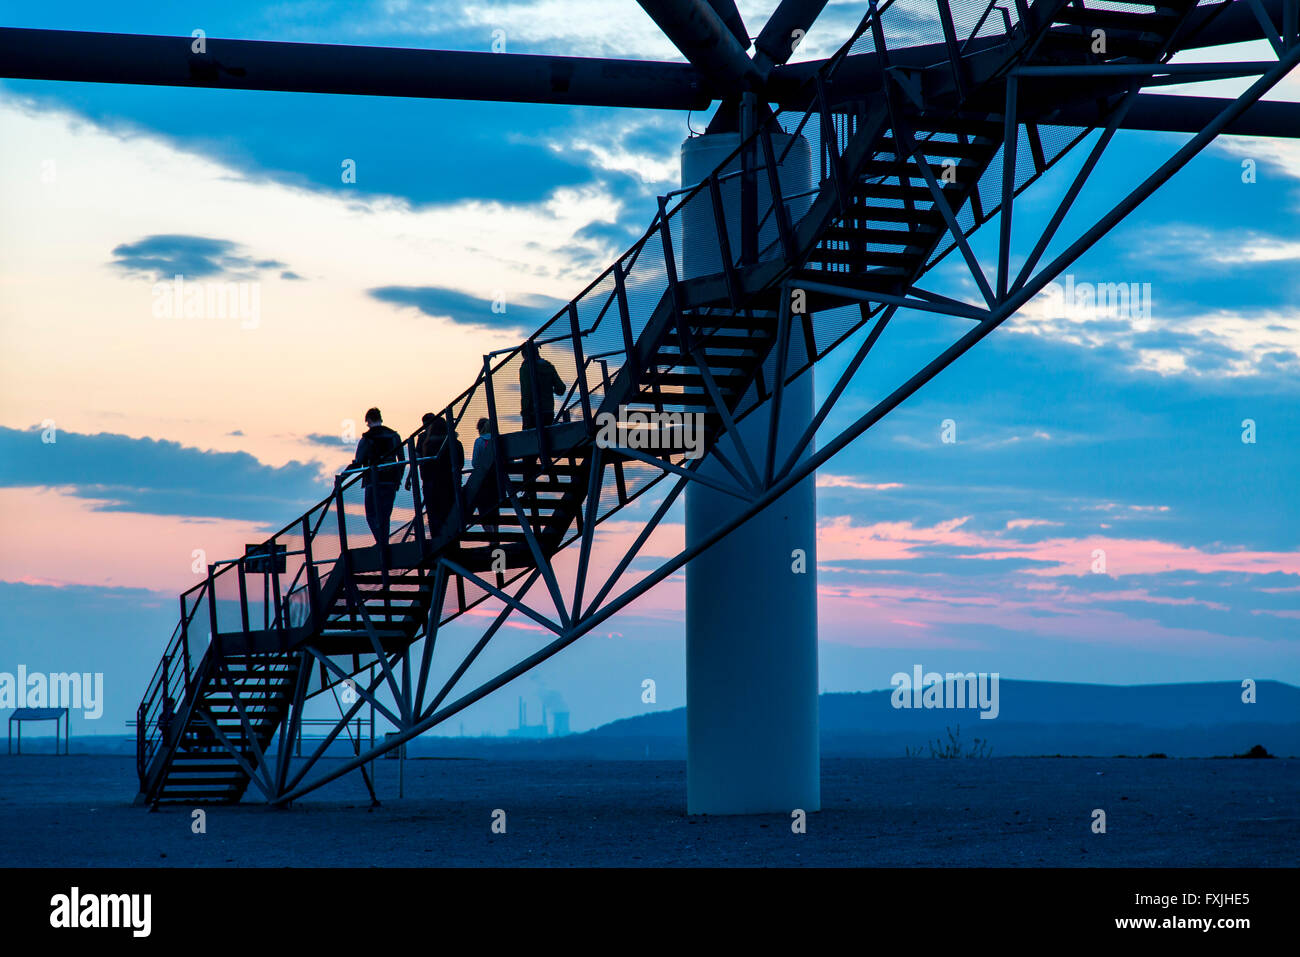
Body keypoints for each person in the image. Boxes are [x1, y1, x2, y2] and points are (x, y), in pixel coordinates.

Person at [346, 407, 405, 562]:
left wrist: (343, 477)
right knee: (385, 515)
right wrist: (399, 478)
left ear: (369, 421)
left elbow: (358, 462)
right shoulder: (394, 436)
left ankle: (382, 545)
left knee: (372, 514)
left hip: (373, 481)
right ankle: (383, 544)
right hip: (391, 479)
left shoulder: (366, 439)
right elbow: (402, 460)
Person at [411, 412, 464, 538]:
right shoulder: (454, 442)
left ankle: (437, 540)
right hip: (450, 482)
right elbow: (460, 463)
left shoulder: (426, 442)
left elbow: (418, 459)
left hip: (430, 481)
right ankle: (452, 539)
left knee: (433, 514)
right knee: (449, 512)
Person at [519, 340, 567, 431]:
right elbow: (561, 389)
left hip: (532, 413)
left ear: (525, 355)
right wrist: (549, 389)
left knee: (531, 441)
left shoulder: (525, 368)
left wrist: (525, 412)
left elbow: (527, 392)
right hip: (548, 411)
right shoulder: (548, 366)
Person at [469, 417, 498, 538]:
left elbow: (475, 462)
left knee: (483, 511)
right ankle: (496, 536)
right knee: (495, 510)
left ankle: (491, 537)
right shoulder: (497, 439)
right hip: (496, 480)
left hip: (483, 481)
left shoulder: (480, 441)